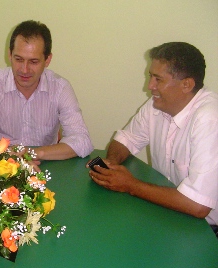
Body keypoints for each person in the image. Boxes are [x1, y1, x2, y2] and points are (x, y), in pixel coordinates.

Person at [88, 42, 218, 231]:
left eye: (158, 79)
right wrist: (111, 164)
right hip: (168, 211)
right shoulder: (156, 105)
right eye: (150, 77)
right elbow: (126, 139)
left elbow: (198, 206)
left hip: (206, 229)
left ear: (186, 84)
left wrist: (130, 185)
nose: (149, 86)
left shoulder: (209, 119)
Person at [0, 20, 93, 167]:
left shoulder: (60, 88)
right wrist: (1, 154)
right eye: (18, 59)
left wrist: (33, 153)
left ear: (47, 60)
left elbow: (82, 140)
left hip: (44, 165)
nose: (24, 70)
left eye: (33, 62)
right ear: (9, 54)